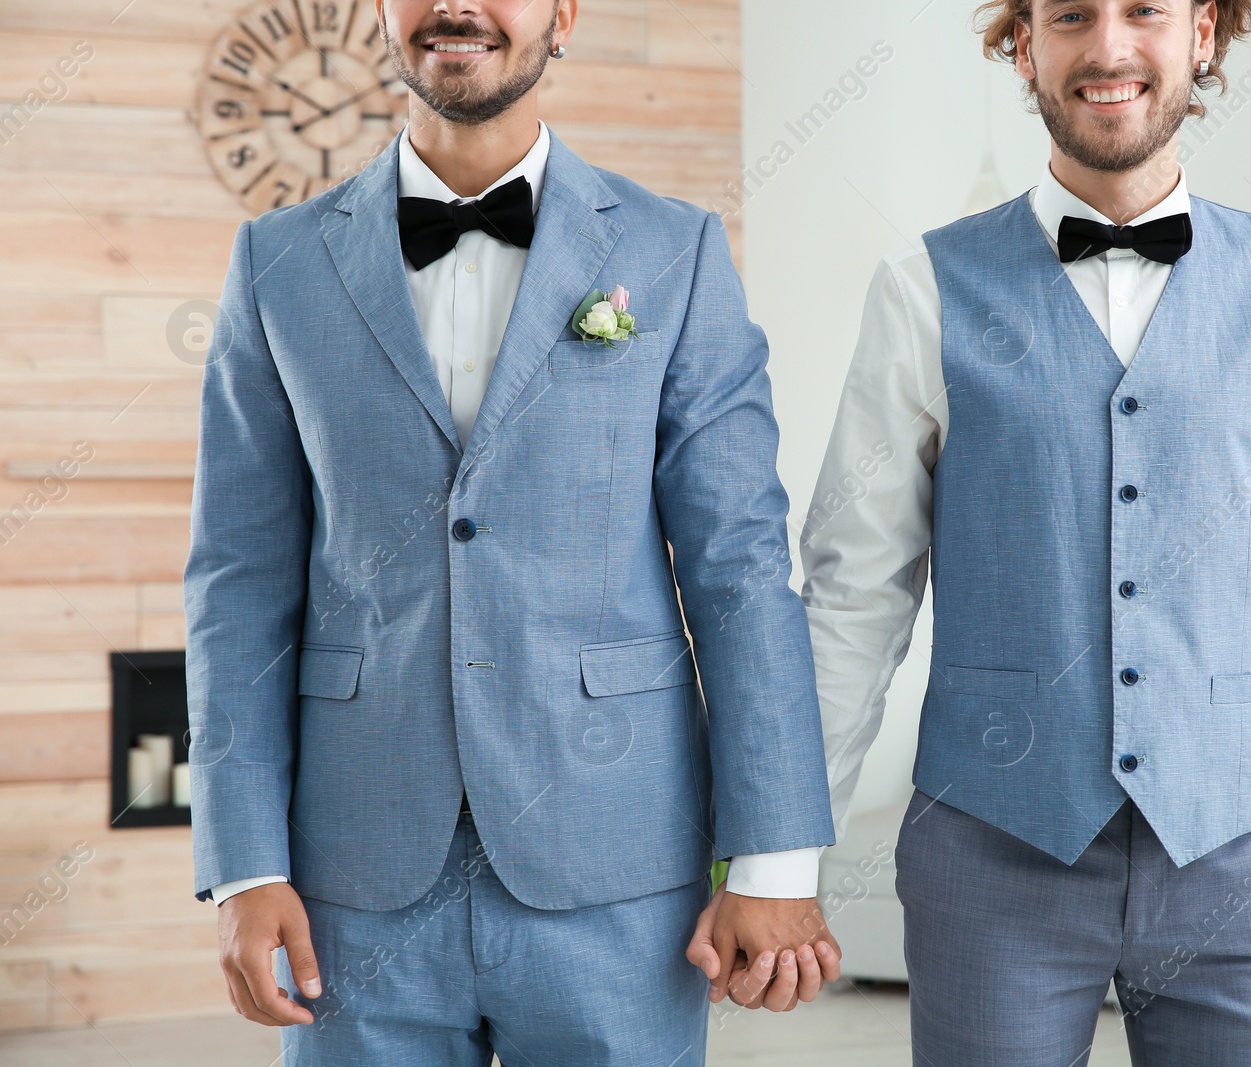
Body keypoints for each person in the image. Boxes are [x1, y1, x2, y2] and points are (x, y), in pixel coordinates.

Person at [185, 2, 838, 1062]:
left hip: (618, 868)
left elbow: (740, 567)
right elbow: (238, 581)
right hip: (352, 881)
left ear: (563, 15)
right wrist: (245, 863)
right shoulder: (276, 261)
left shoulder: (674, 254)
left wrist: (772, 857)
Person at [801, 1, 1251, 1063]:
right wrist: (789, 845)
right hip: (991, 850)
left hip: (1249, 858)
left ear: (1202, 34)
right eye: (1070, 16)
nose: (1108, 47)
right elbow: (852, 593)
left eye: (1143, 10)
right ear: (1023, 44)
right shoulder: (921, 289)